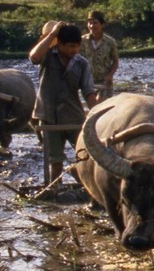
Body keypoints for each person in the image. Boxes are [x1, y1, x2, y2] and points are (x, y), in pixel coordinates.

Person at [29, 21, 98, 186]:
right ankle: (54, 187)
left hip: (74, 117)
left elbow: (88, 91)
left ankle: (88, 187)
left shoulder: (81, 63)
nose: (73, 50)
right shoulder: (48, 56)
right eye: (69, 46)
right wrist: (52, 34)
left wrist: (96, 112)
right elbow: (34, 57)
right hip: (48, 115)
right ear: (59, 44)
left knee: (85, 155)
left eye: (77, 46)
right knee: (55, 159)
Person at [83, 10, 119, 100]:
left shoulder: (110, 42)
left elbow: (115, 61)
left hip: (105, 82)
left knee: (103, 108)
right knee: (92, 109)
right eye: (89, 23)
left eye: (95, 23)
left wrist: (110, 75)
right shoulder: (82, 41)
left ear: (102, 25)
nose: (92, 26)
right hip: (87, 81)